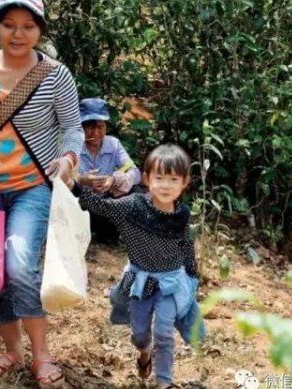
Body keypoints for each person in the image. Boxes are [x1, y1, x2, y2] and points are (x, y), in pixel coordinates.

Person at [0, 0, 83, 387]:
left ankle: (41, 356)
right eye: (9, 25)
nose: (18, 34)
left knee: (20, 265)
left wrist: (69, 158)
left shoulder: (56, 76)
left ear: (40, 29)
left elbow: (73, 128)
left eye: (28, 25)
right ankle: (12, 350)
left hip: (32, 187)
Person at [66, 144, 206, 389]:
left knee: (164, 331)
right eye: (159, 178)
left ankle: (165, 382)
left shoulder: (181, 214)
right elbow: (101, 206)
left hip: (171, 283)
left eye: (173, 179)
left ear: (185, 182)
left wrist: (192, 277)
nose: (165, 185)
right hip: (141, 282)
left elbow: (186, 244)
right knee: (140, 334)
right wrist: (76, 187)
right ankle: (145, 352)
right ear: (147, 179)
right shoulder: (132, 207)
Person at [77, 97, 141, 244]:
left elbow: (134, 171)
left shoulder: (113, 144)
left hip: (108, 201)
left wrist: (114, 179)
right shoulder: (74, 146)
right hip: (84, 205)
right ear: (81, 127)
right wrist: (82, 180)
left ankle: (119, 234)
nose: (96, 132)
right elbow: (59, 179)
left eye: (100, 127)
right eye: (90, 127)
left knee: (137, 192)